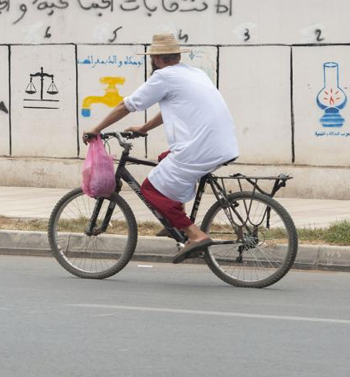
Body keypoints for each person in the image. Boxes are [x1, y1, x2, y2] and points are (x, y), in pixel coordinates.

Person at [82, 33, 239, 264]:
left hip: (201, 147)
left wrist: (96, 129)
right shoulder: (195, 73)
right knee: (164, 159)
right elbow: (173, 107)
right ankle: (175, 218)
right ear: (176, 55)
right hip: (223, 143)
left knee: (151, 190)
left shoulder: (163, 77)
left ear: (156, 59)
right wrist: (145, 127)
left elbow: (126, 105)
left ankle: (194, 235)